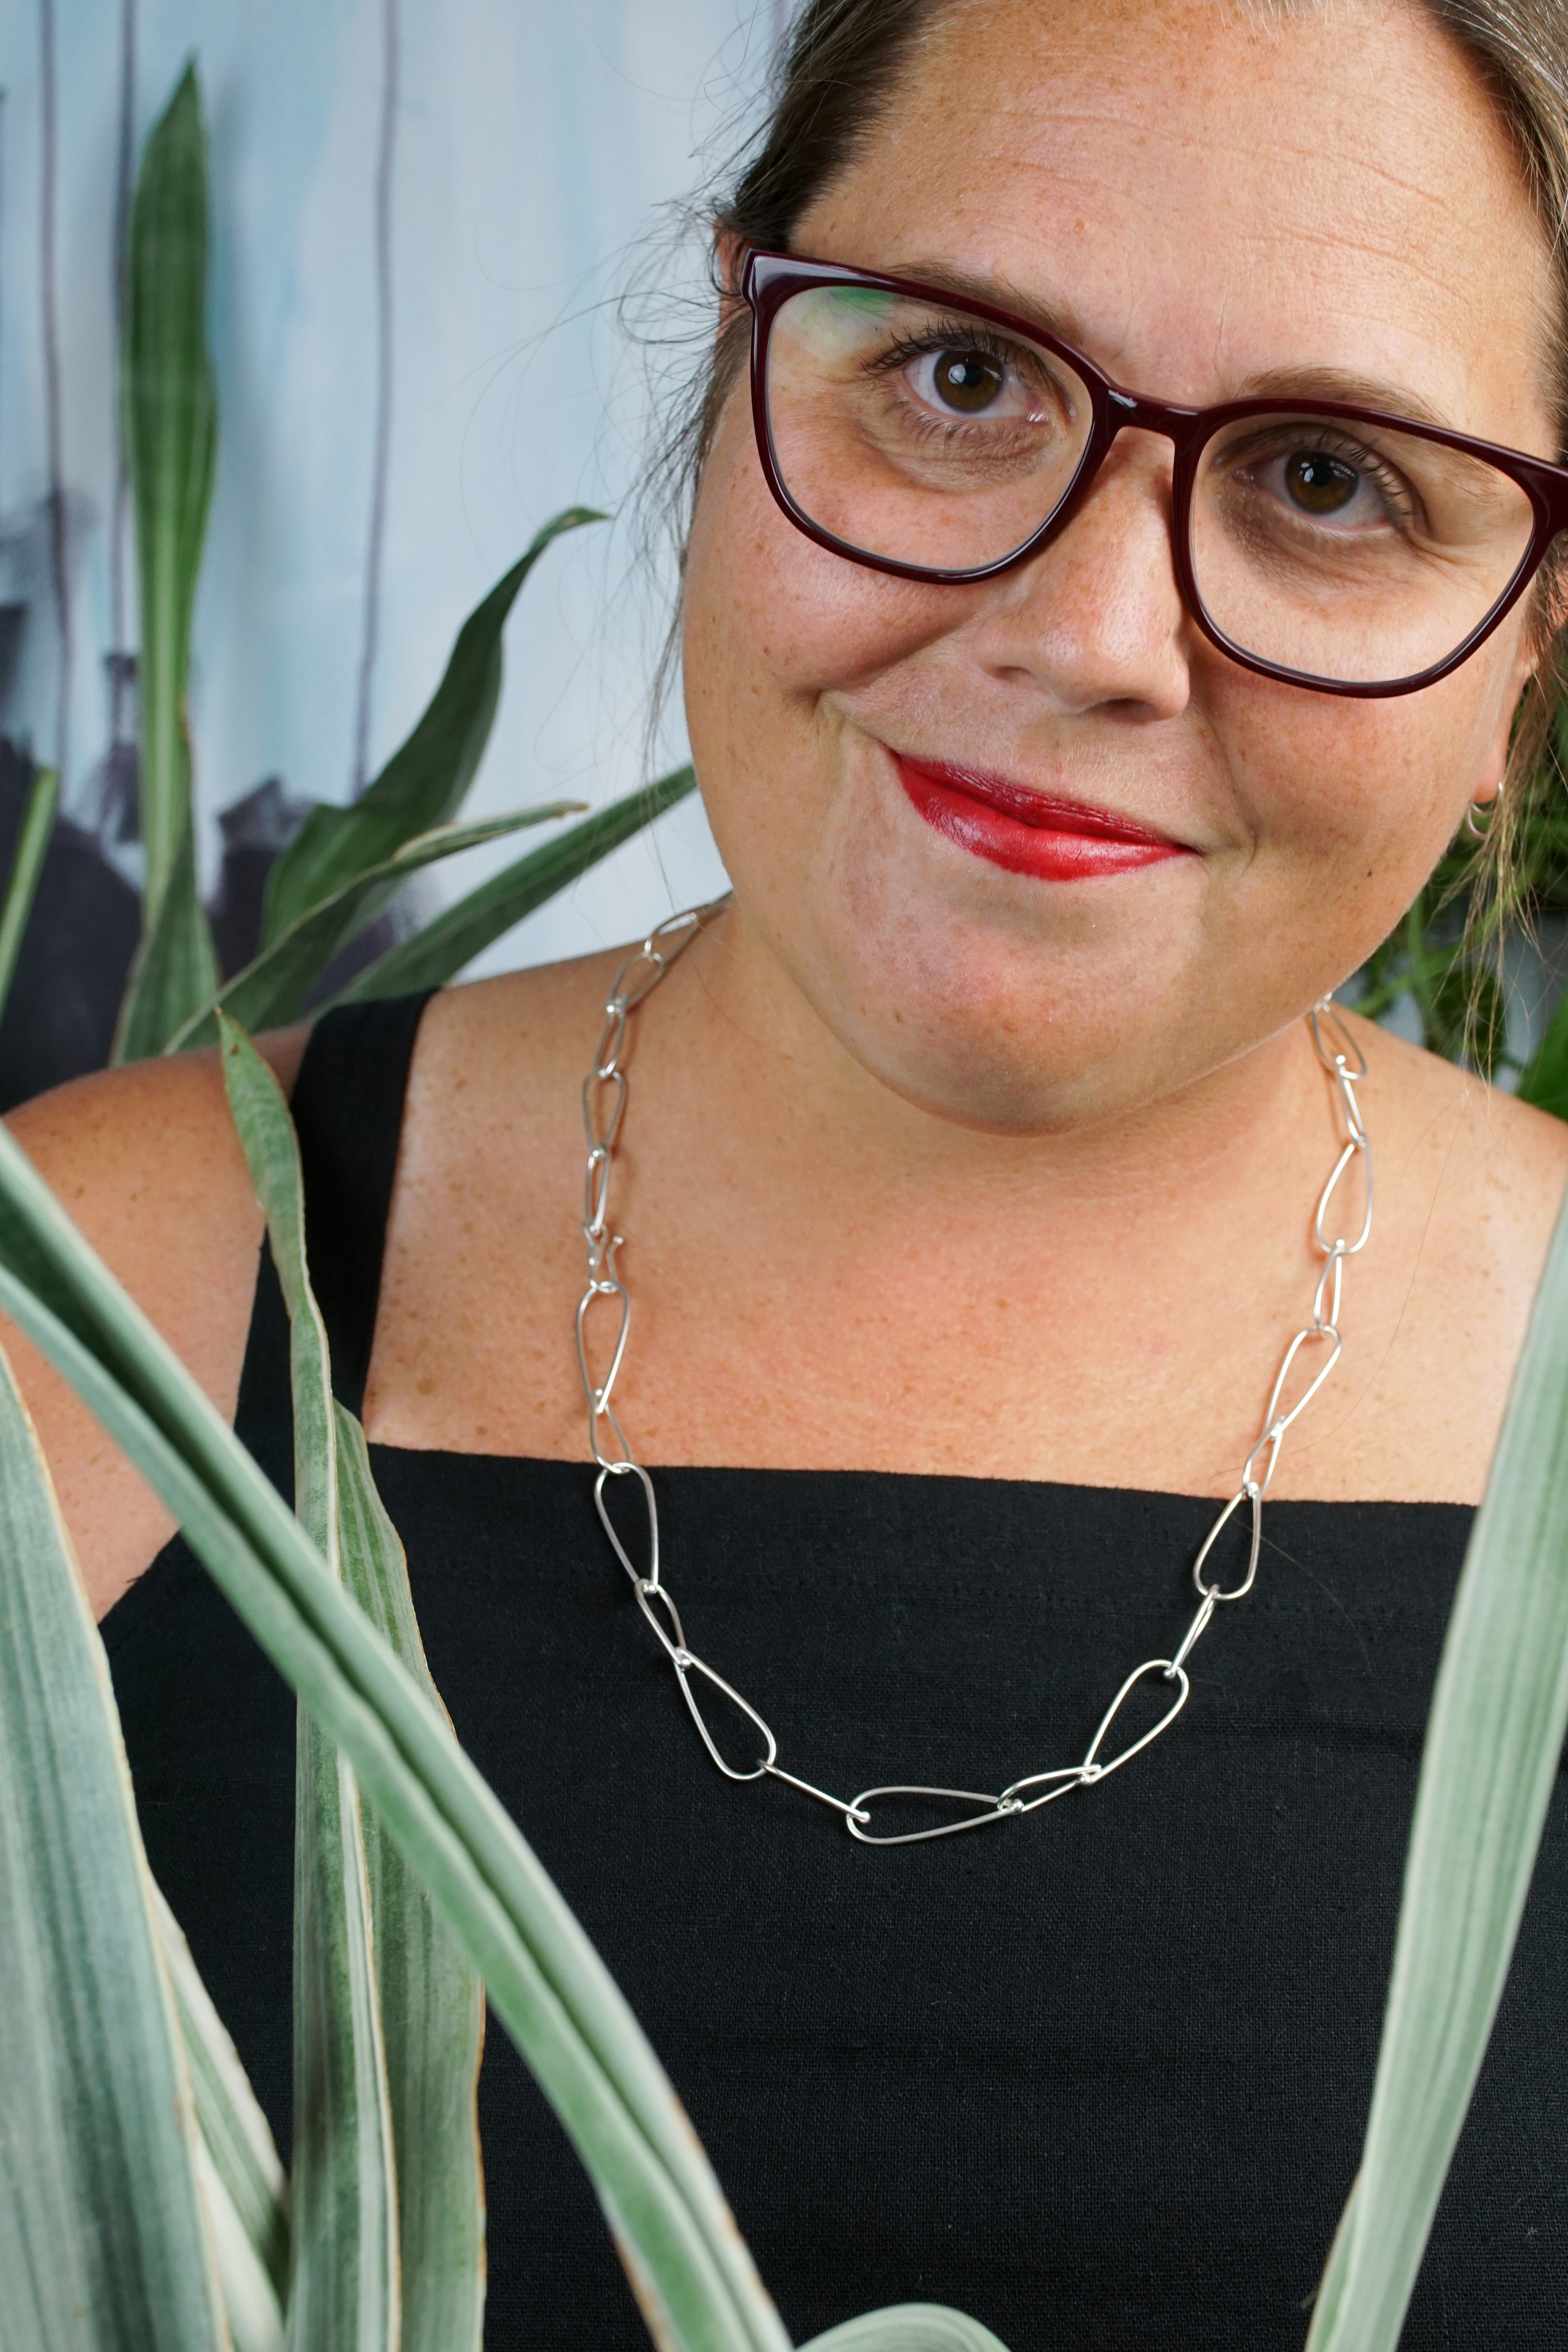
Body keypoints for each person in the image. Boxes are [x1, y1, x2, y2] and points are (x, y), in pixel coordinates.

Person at [10, 0, 1568, 2341]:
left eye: (1330, 478)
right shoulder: (75, 1330)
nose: (1089, 634)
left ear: (1531, 649)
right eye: (957, 376)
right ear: (737, 374)